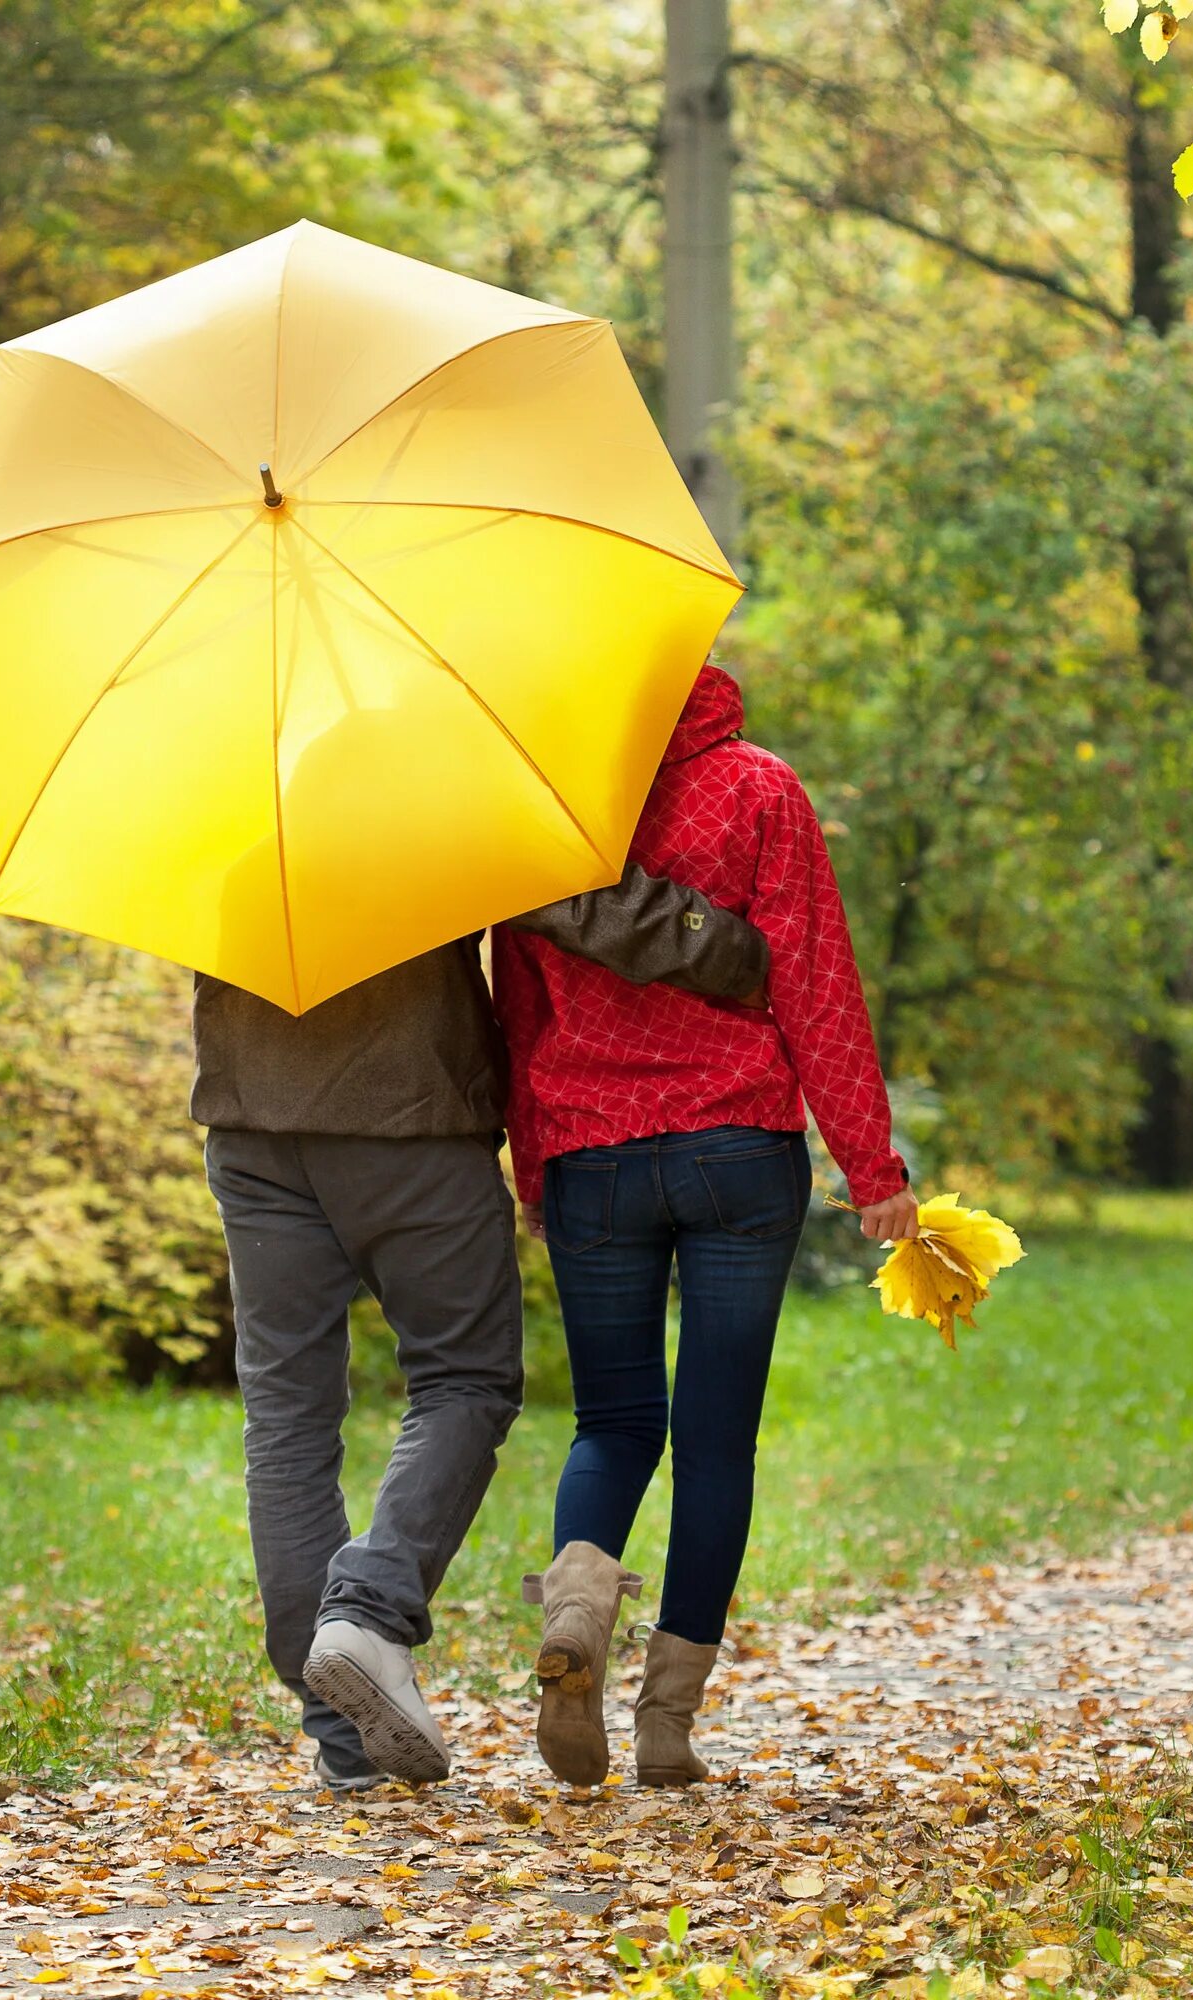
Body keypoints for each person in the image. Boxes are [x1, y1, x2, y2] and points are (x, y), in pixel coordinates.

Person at [195, 867, 768, 1793]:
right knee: (466, 1379)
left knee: (288, 1421)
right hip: (405, 1113)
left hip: (247, 1120)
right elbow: (572, 900)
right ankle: (369, 1614)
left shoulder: (218, 788)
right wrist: (737, 950)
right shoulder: (426, 775)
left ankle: (343, 1740)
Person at [494, 662, 915, 1788]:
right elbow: (815, 988)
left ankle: (575, 1622)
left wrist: (537, 1169)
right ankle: (666, 1724)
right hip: (739, 1150)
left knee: (613, 1423)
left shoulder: (548, 820)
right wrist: (873, 1168)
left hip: (592, 1151)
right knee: (715, 1437)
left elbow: (518, 1006)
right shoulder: (759, 789)